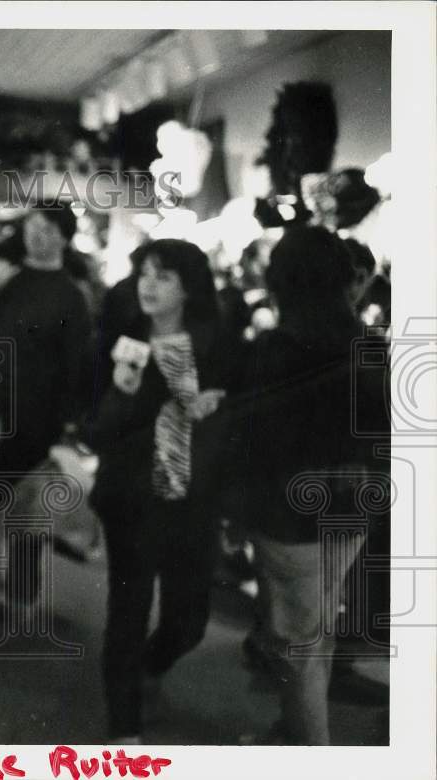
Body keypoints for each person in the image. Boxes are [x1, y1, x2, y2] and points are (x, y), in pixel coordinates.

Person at [230, 226, 388, 744]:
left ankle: (309, 753)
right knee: (317, 633)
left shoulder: (275, 348)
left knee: (297, 645)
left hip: (289, 518)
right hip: (350, 509)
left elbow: (253, 444)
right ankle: (294, 732)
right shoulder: (368, 345)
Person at [84, 238, 241, 742]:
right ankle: (123, 731)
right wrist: (126, 396)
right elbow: (95, 429)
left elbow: (242, 421)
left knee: (188, 621)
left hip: (191, 501)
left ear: (189, 287)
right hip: (131, 500)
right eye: (145, 273)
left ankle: (149, 671)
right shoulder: (122, 339)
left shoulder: (216, 344)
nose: (149, 285)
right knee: (127, 616)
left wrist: (211, 414)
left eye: (164, 276)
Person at [0, 200, 93, 605]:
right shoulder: (3, 276)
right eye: (33, 224)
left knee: (28, 508)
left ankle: (22, 589)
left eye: (49, 227)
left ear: (64, 238)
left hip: (35, 418)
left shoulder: (70, 295)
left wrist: (67, 425)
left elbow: (76, 367)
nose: (38, 233)